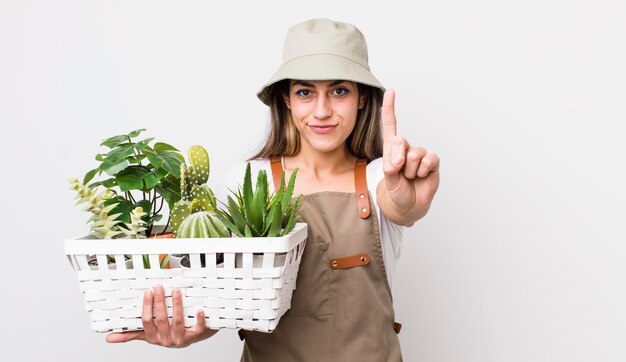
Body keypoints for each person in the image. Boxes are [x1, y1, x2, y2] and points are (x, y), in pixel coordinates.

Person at [107, 18, 440, 361]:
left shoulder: (377, 180)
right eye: (305, 92)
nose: (322, 111)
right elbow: (224, 295)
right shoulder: (248, 182)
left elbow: (403, 207)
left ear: (360, 99)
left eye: (339, 91)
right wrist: (188, 331)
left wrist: (407, 198)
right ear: (286, 99)